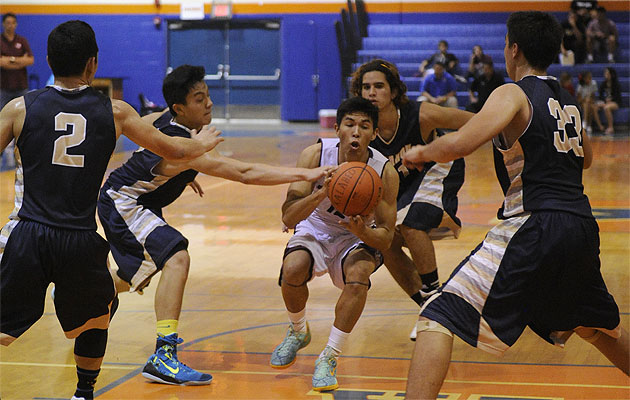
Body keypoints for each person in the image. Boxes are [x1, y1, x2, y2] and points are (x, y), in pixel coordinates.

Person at [403, 11, 629, 399]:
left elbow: (461, 143)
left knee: (437, 317)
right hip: (579, 225)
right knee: (595, 328)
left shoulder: (512, 92)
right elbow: (586, 158)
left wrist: (421, 151)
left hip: (534, 222)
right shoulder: (567, 98)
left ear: (513, 49)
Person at [0, 20, 222, 400]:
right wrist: (202, 142)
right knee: (96, 318)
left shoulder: (19, 108)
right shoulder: (116, 112)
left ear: (50, 60)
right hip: (80, 238)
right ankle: (83, 393)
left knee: (3, 326)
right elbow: (175, 150)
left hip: (27, 233)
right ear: (93, 64)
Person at [98, 64, 332, 386]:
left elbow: (145, 137)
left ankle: (93, 293)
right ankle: (163, 356)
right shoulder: (182, 141)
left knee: (141, 271)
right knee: (176, 257)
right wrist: (305, 174)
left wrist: (174, 175)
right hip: (123, 201)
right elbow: (244, 173)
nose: (209, 103)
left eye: (207, 95)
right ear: (180, 108)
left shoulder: (168, 119)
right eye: (198, 99)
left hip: (139, 199)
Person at [269, 96, 398, 391]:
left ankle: (329, 355)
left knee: (358, 277)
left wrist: (362, 230)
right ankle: (298, 331)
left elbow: (387, 237)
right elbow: (288, 216)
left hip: (355, 235)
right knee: (293, 268)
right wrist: (319, 194)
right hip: (315, 224)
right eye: (350, 124)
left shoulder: (384, 171)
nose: (356, 132)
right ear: (337, 128)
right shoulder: (315, 155)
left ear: (374, 134)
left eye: (365, 126)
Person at [350, 59, 472, 341]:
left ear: (393, 91)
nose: (371, 92)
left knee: (412, 225)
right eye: (366, 87)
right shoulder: (361, 129)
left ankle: (434, 301)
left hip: (438, 169)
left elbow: (475, 123)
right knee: (384, 239)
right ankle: (431, 308)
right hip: (402, 185)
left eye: (379, 86)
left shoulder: (420, 114)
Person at [0, 12, 34, 169]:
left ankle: (21, 149)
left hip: (21, 87)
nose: (10, 25)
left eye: (13, 22)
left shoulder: (22, 41)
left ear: (16, 24)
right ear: (3, 24)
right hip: (3, 88)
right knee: (2, 120)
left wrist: (10, 60)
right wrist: (19, 60)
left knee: (24, 119)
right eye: (7, 22)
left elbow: (30, 60)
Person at [595, 66, 621, 136]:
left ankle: (610, 127)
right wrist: (603, 101)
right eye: (605, 73)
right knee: (595, 107)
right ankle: (599, 126)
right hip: (605, 102)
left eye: (607, 73)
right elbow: (600, 95)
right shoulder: (603, 84)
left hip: (615, 102)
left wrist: (610, 100)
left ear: (611, 74)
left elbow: (618, 97)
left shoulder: (616, 84)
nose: (606, 75)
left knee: (607, 108)